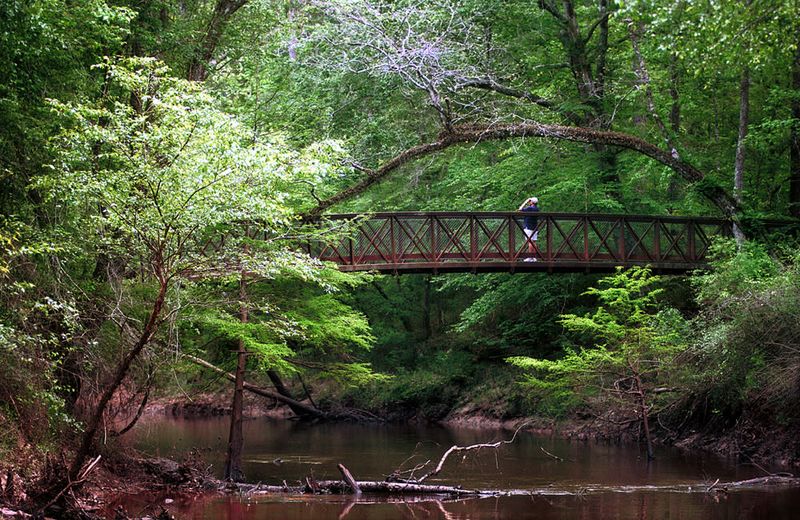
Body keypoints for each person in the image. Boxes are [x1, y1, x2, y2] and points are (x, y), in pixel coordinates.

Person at [518, 197, 540, 262]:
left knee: (530, 242)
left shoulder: (530, 208)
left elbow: (520, 209)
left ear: (531, 202)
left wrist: (525, 201)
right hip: (535, 227)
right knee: (534, 242)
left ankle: (530, 257)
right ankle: (534, 257)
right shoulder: (537, 209)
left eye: (530, 201)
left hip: (528, 227)